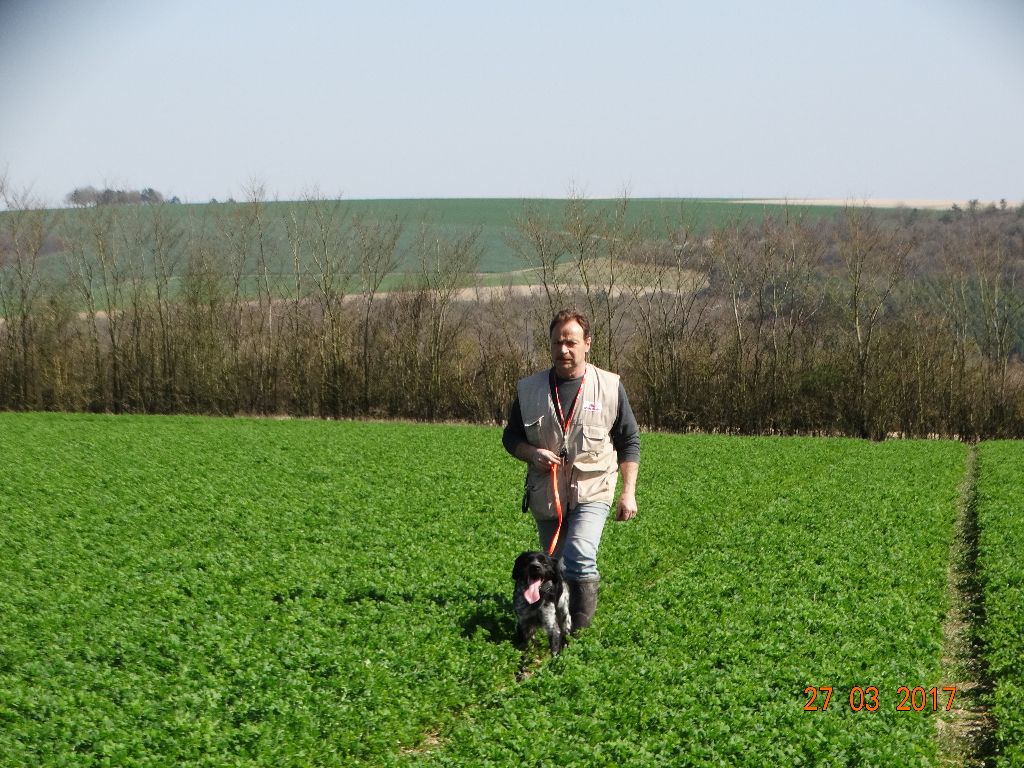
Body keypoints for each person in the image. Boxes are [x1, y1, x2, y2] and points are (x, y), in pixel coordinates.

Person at [502, 308, 640, 632]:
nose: (564, 349)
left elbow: (629, 440)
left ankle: (580, 634)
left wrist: (628, 492)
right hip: (547, 494)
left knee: (579, 554)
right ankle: (560, 626)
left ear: (587, 343)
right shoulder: (529, 389)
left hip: (594, 488)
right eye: (557, 343)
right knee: (557, 566)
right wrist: (531, 453)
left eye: (571, 342)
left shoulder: (609, 386)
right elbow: (511, 437)